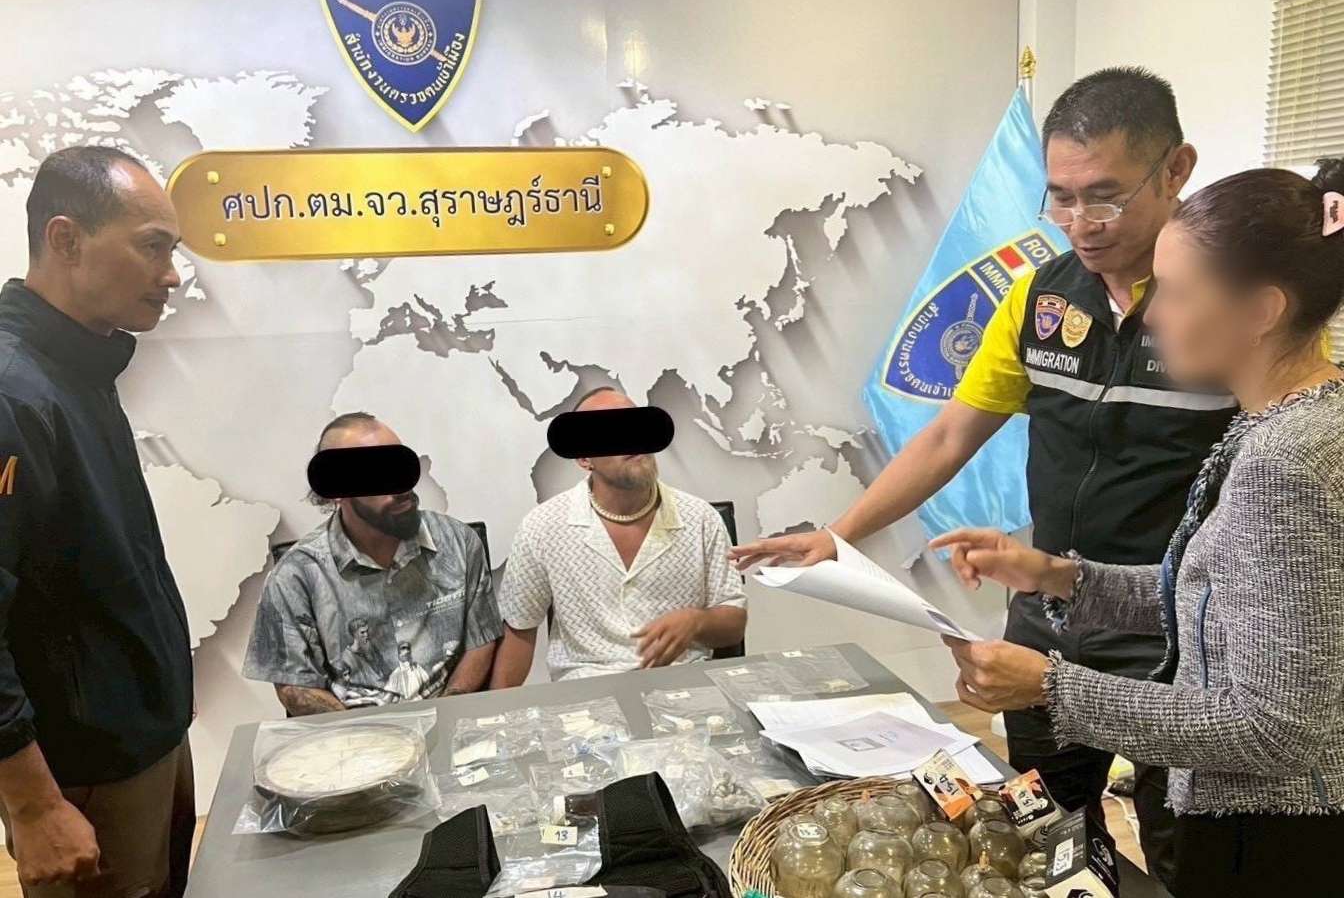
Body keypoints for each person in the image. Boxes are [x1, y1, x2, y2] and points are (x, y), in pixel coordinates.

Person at [730, 67, 1237, 882]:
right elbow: (948, 435)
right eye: (1060, 198)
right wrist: (839, 536)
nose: (1080, 223)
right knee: (1036, 827)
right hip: (1050, 611)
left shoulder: (1228, 306)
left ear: (1176, 169)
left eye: (1104, 197)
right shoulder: (1040, 299)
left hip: (1177, 632)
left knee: (1180, 847)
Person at [930, 162, 1344, 896]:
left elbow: (1275, 727)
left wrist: (1051, 684)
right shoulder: (1297, 420)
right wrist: (1057, 576)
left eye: (1177, 293)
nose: (1151, 317)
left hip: (1274, 836)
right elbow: (1220, 602)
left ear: (1261, 311)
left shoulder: (1286, 462)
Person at [0, 146, 194, 896]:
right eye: (153, 247)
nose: (172, 275)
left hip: (146, 738)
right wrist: (32, 803)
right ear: (66, 240)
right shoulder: (14, 392)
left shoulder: (81, 366)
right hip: (83, 772)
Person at [243, 413, 502, 714]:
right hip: (351, 726)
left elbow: (481, 641)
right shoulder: (296, 576)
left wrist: (445, 714)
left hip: (447, 713)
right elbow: (295, 686)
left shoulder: (458, 542)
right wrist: (366, 733)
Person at [492, 387, 747, 684]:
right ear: (584, 458)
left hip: (682, 683)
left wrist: (697, 621)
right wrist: (497, 709)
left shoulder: (700, 518)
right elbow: (520, 629)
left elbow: (734, 622)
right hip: (588, 687)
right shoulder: (542, 527)